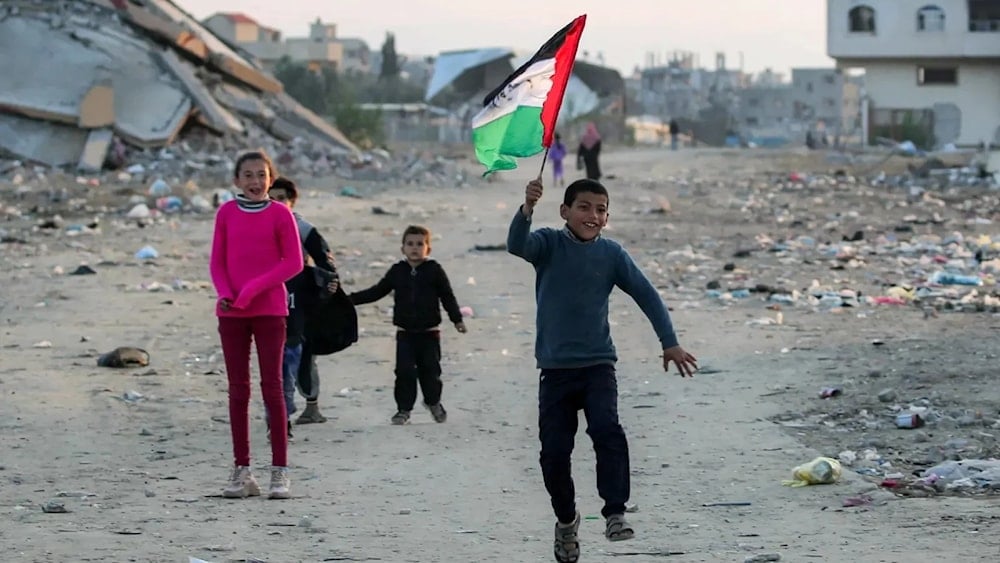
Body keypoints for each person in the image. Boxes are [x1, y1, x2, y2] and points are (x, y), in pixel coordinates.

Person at [506, 178, 698, 563]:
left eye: (600, 209)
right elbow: (517, 245)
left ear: (607, 217)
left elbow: (646, 294)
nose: (592, 215)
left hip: (598, 365)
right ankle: (566, 522)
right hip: (556, 371)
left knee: (607, 430)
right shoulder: (547, 244)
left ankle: (614, 512)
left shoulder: (611, 255)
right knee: (554, 454)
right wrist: (526, 208)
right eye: (583, 207)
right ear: (565, 211)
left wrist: (669, 341)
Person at [210, 151, 303, 500]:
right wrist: (227, 293)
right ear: (236, 181)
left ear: (270, 179)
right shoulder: (226, 213)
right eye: (247, 175)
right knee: (238, 391)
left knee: (273, 389)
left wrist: (251, 290)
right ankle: (242, 470)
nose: (254, 181)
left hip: (269, 310)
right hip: (231, 311)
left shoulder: (280, 214)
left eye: (260, 175)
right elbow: (217, 262)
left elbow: (292, 263)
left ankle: (280, 472)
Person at [349, 225, 467, 425]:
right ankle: (403, 410)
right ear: (402, 248)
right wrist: (348, 300)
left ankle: (433, 402)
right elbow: (377, 291)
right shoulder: (398, 271)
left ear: (428, 249)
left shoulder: (434, 270)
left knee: (431, 372)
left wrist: (457, 319)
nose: (415, 248)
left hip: (429, 334)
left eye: (420, 244)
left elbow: (447, 296)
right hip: (405, 335)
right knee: (404, 372)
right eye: (410, 244)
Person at [265, 177, 340, 439]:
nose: (275, 202)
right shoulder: (258, 225)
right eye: (270, 197)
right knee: (273, 357)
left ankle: (307, 404)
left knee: (300, 353)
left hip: (298, 299)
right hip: (267, 298)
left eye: (281, 198)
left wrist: (328, 283)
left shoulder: (301, 228)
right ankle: (279, 415)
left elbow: (325, 259)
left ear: (292, 201)